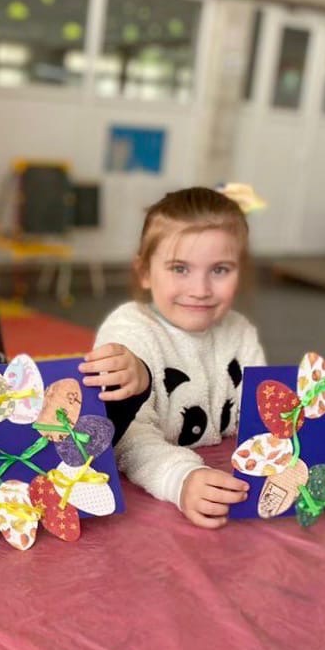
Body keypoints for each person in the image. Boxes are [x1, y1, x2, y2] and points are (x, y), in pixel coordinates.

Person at [79, 186, 265, 529]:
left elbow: (262, 418)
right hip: (143, 511)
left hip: (226, 488)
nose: (200, 290)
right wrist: (181, 478)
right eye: (180, 268)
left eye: (220, 270)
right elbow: (127, 438)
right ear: (145, 272)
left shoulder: (240, 331)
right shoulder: (128, 332)